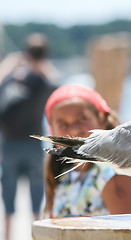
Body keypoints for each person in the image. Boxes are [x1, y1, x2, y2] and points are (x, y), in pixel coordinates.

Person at [42, 84, 131, 218]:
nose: (74, 129)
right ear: (52, 133)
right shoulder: (64, 175)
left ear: (102, 119)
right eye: (62, 124)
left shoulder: (114, 174)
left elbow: (129, 234)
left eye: (82, 119)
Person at [0, 33, 57, 240]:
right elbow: (58, 85)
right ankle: (36, 237)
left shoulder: (12, 80)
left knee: (8, 201)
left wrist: (8, 64)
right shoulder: (44, 82)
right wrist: (41, 64)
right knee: (36, 199)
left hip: (10, 146)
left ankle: (6, 237)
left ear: (25, 54)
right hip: (33, 145)